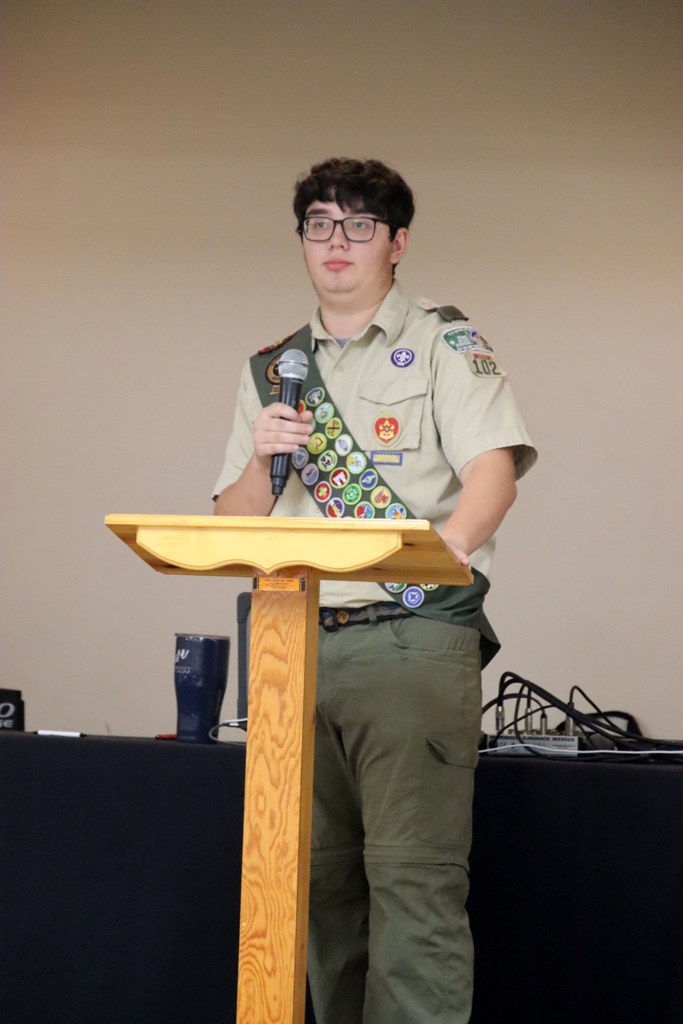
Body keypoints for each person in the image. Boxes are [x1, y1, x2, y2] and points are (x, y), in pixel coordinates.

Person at [213, 158, 537, 1024]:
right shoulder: (272, 370)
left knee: (411, 885)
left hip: (408, 635)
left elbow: (493, 471)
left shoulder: (441, 343)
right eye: (319, 224)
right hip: (290, 646)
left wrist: (448, 548)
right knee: (313, 889)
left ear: (396, 243)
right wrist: (260, 455)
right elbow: (233, 523)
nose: (336, 241)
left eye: (358, 225)